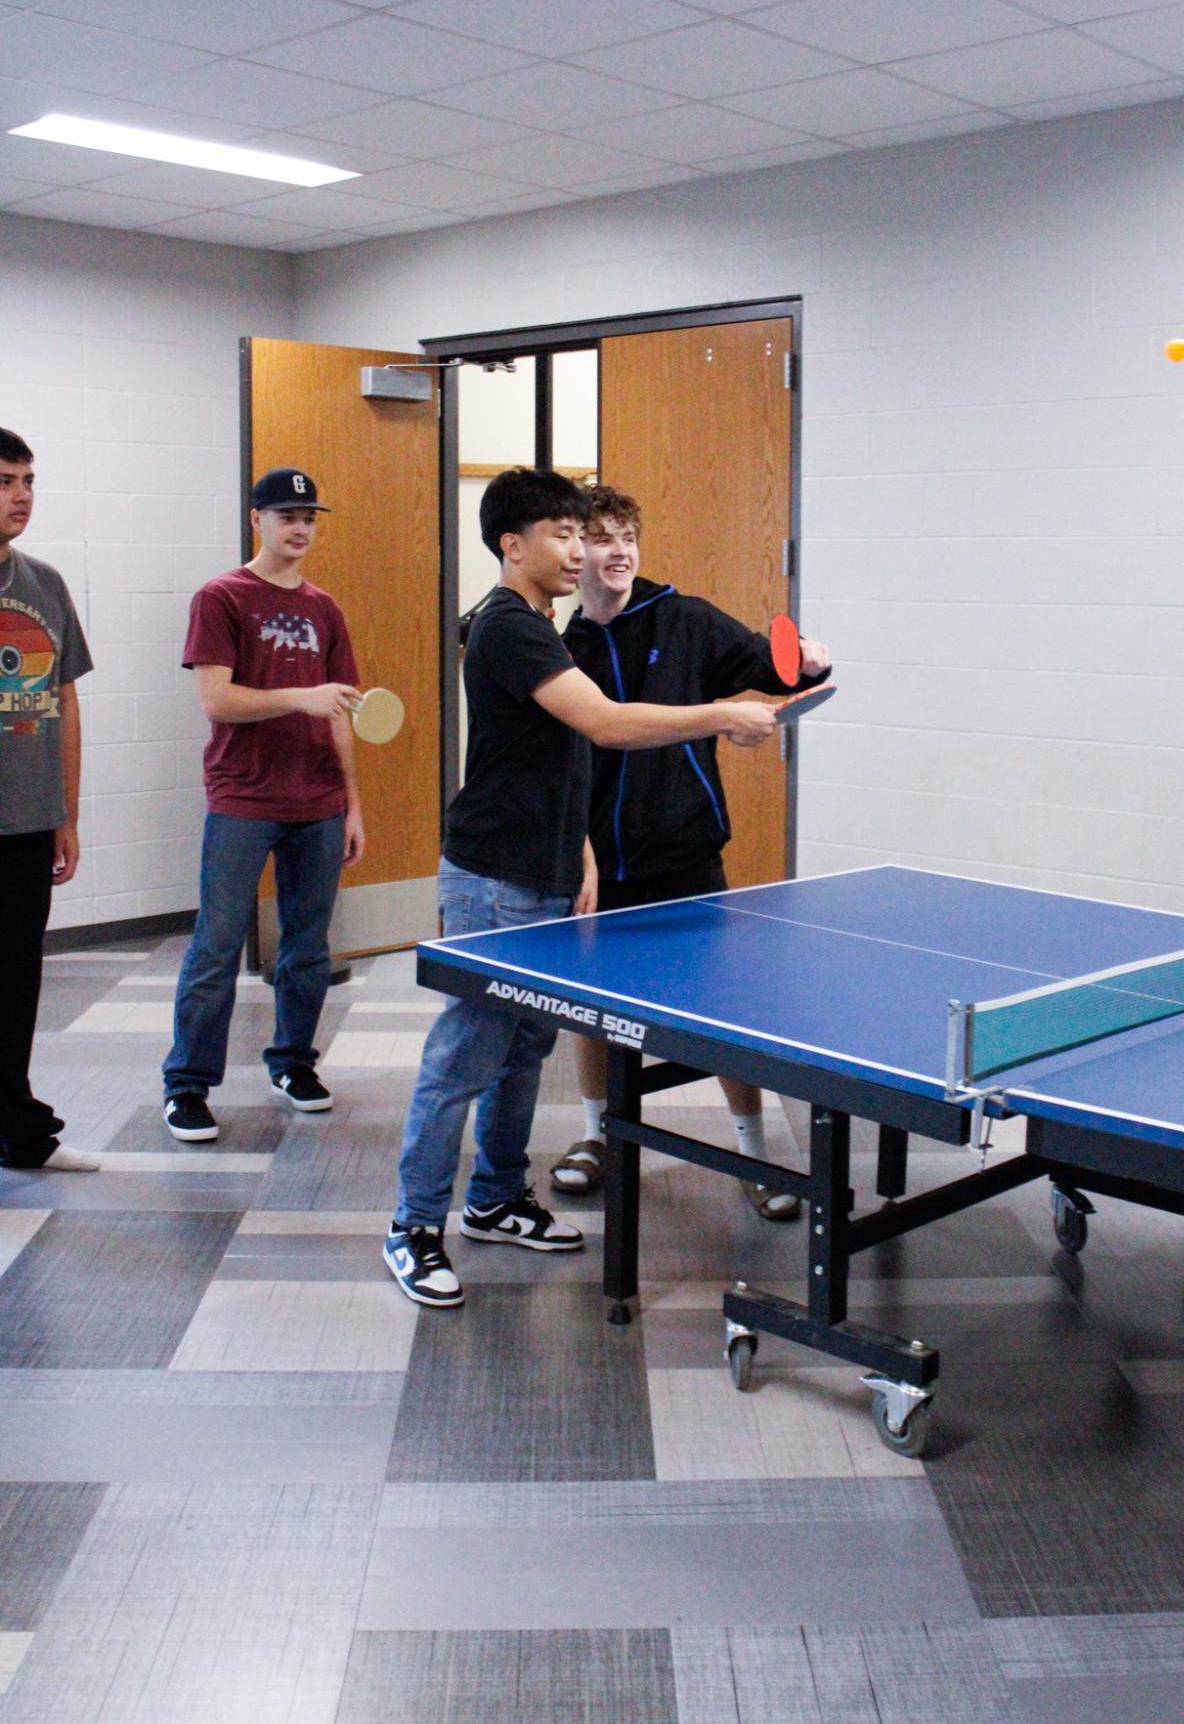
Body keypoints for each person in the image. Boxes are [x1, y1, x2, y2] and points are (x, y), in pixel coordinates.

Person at [385, 468, 776, 1308]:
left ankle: (493, 1197)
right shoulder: (510, 629)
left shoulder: (542, 622)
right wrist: (718, 713)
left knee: (525, 1051)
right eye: (560, 535)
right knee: (465, 1055)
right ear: (510, 545)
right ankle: (413, 1225)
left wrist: (585, 852)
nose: (578, 549)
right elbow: (603, 724)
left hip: (550, 872)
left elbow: (561, 757)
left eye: (580, 532)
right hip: (494, 878)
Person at [553, 483, 831, 1219]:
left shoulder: (685, 620)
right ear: (573, 552)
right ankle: (596, 1136)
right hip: (596, 863)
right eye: (602, 538)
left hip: (684, 849)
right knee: (591, 1006)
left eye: (627, 537)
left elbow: (773, 669)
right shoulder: (554, 645)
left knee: (722, 1011)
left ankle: (754, 1151)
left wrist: (804, 662)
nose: (617, 552)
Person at [161, 467, 365, 1143]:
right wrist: (299, 696)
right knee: (217, 945)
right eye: (285, 515)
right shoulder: (221, 597)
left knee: (308, 947)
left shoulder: (326, 607)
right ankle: (188, 1084)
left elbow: (340, 713)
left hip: (319, 802)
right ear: (257, 519)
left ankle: (293, 1064)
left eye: (309, 516)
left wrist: (352, 805)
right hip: (243, 798)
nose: (300, 527)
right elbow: (218, 700)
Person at [0, 426, 98, 1172]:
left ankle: (18, 1131)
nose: (22, 496)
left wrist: (65, 811)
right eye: (5, 481)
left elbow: (63, 701)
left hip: (29, 823)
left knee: (16, 980)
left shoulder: (45, 584)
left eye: (28, 480)